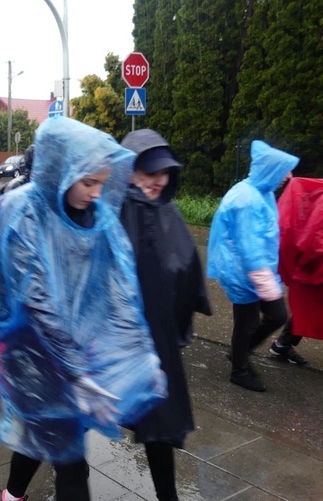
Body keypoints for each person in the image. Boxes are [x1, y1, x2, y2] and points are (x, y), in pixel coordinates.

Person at [0, 117, 166, 501]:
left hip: (75, 355)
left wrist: (140, 354)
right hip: (31, 354)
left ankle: (12, 493)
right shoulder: (24, 213)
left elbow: (120, 290)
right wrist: (75, 370)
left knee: (47, 434)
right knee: (68, 457)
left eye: (103, 183)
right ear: (62, 170)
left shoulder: (97, 216)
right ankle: (15, 492)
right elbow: (36, 300)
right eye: (89, 182)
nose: (97, 193)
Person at [120, 129, 212, 501]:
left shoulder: (167, 211)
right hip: (111, 344)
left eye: (164, 172)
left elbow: (186, 266)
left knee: (159, 421)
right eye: (148, 171)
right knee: (70, 422)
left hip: (156, 344)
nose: (158, 180)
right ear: (127, 169)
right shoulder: (108, 209)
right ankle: (19, 483)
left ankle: (167, 496)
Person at [207, 140, 298, 392]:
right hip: (243, 273)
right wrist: (265, 281)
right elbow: (249, 246)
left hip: (259, 272)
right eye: (282, 172)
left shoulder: (263, 191)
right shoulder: (246, 198)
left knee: (277, 316)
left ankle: (240, 353)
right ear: (269, 171)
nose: (287, 177)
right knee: (246, 324)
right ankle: (239, 369)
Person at [269, 176, 323, 363]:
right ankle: (283, 344)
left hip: (315, 265)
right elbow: (312, 237)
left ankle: (283, 344)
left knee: (311, 306)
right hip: (316, 265)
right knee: (310, 306)